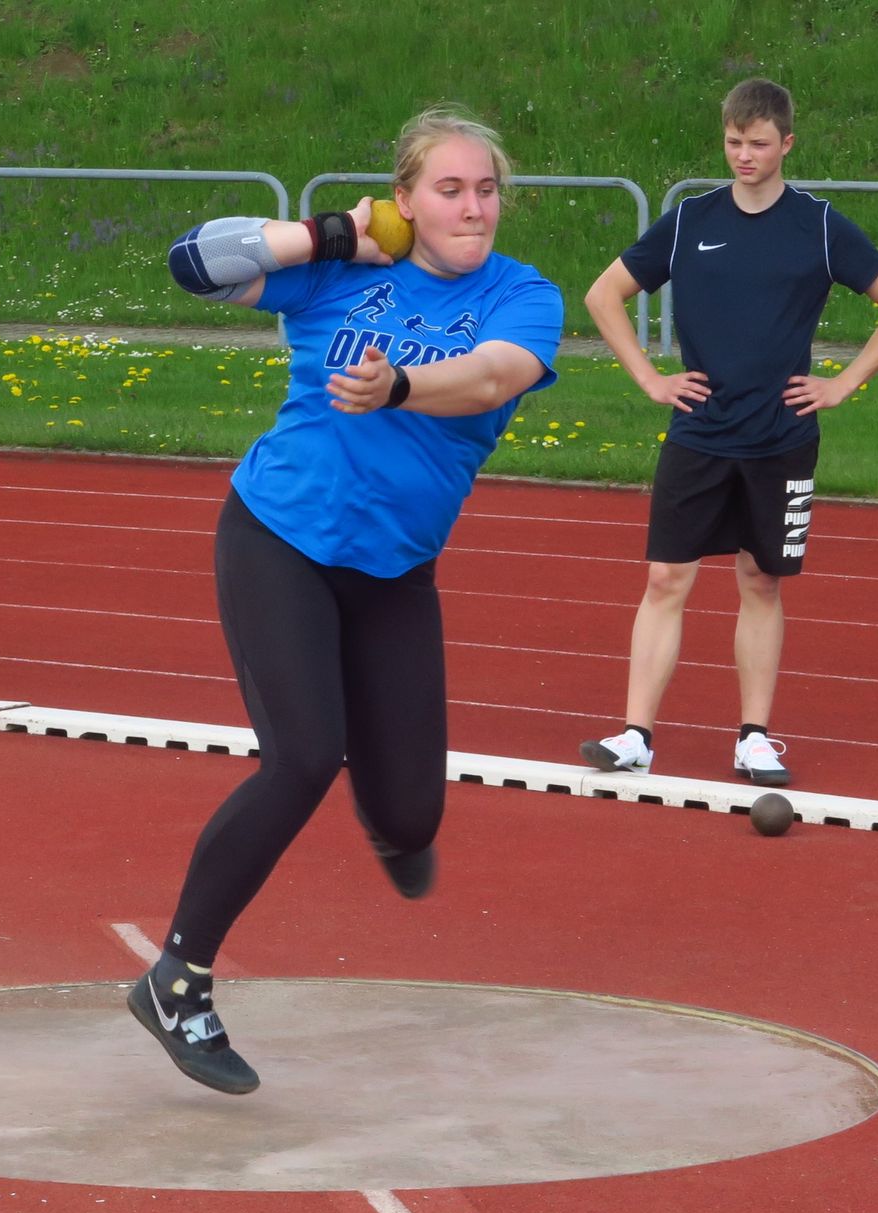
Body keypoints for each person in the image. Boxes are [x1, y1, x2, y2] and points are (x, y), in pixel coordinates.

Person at [135, 106, 565, 1095]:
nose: (473, 207)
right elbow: (192, 264)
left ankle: (393, 820)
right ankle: (177, 980)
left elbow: (493, 376)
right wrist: (331, 234)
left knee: (411, 815)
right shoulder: (344, 270)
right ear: (405, 198)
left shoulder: (522, 293)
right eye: (449, 190)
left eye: (486, 189)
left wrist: (400, 384)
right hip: (279, 536)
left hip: (394, 572)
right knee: (302, 755)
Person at [578, 79, 878, 787]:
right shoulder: (689, 219)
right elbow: (602, 293)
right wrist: (650, 378)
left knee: (760, 580)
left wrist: (842, 383)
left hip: (780, 437)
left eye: (759, 143)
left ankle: (754, 739)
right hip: (699, 432)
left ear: (786, 144)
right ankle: (636, 735)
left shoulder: (819, 226)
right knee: (665, 577)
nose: (744, 155)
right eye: (734, 141)